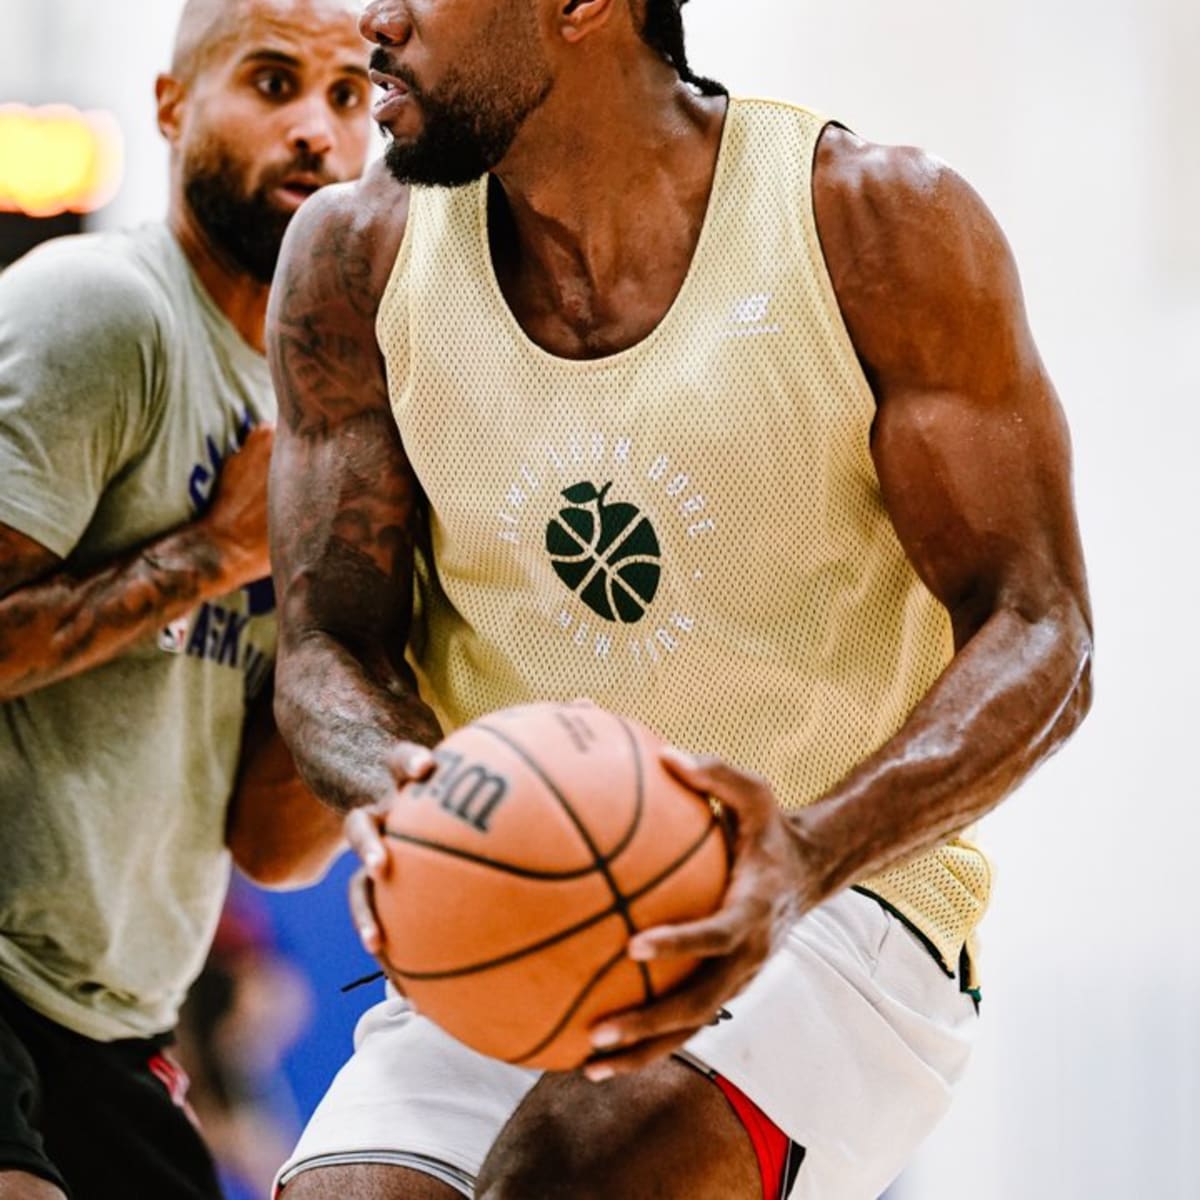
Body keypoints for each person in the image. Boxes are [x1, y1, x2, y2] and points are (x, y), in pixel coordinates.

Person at [266, 0, 1094, 1196]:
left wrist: (805, 855)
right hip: (525, 879)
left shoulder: (875, 222)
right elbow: (325, 649)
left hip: (844, 889)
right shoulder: (356, 256)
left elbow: (1043, 632)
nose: (370, 20)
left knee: (576, 1172)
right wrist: (421, 798)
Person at [0, 2, 371, 1197]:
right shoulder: (103, 311)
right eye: (273, 84)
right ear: (172, 106)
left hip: (117, 1023)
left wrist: (360, 620)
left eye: (350, 97)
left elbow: (270, 847)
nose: (316, 130)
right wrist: (212, 554)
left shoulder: (328, 420)